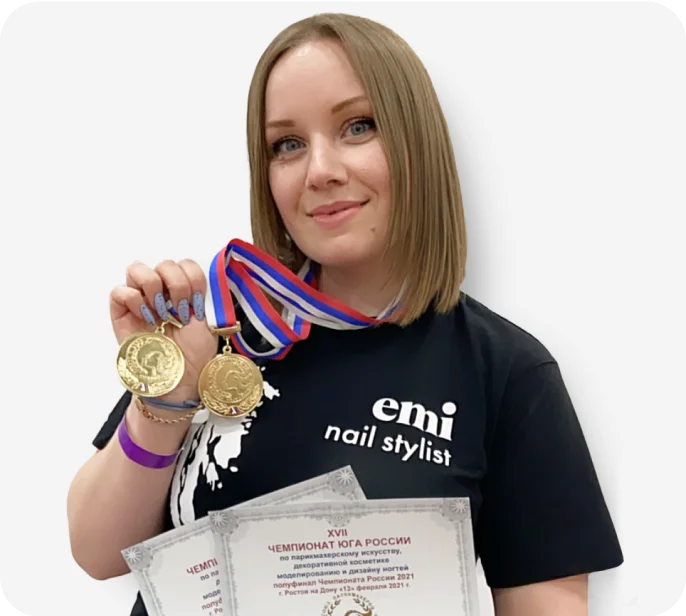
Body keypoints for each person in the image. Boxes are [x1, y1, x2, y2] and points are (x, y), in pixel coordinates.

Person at [66, 12, 623, 616]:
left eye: (359, 127)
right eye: (288, 145)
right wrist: (167, 397)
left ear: (417, 141)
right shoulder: (224, 326)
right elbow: (97, 553)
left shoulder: (506, 371)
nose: (321, 171)